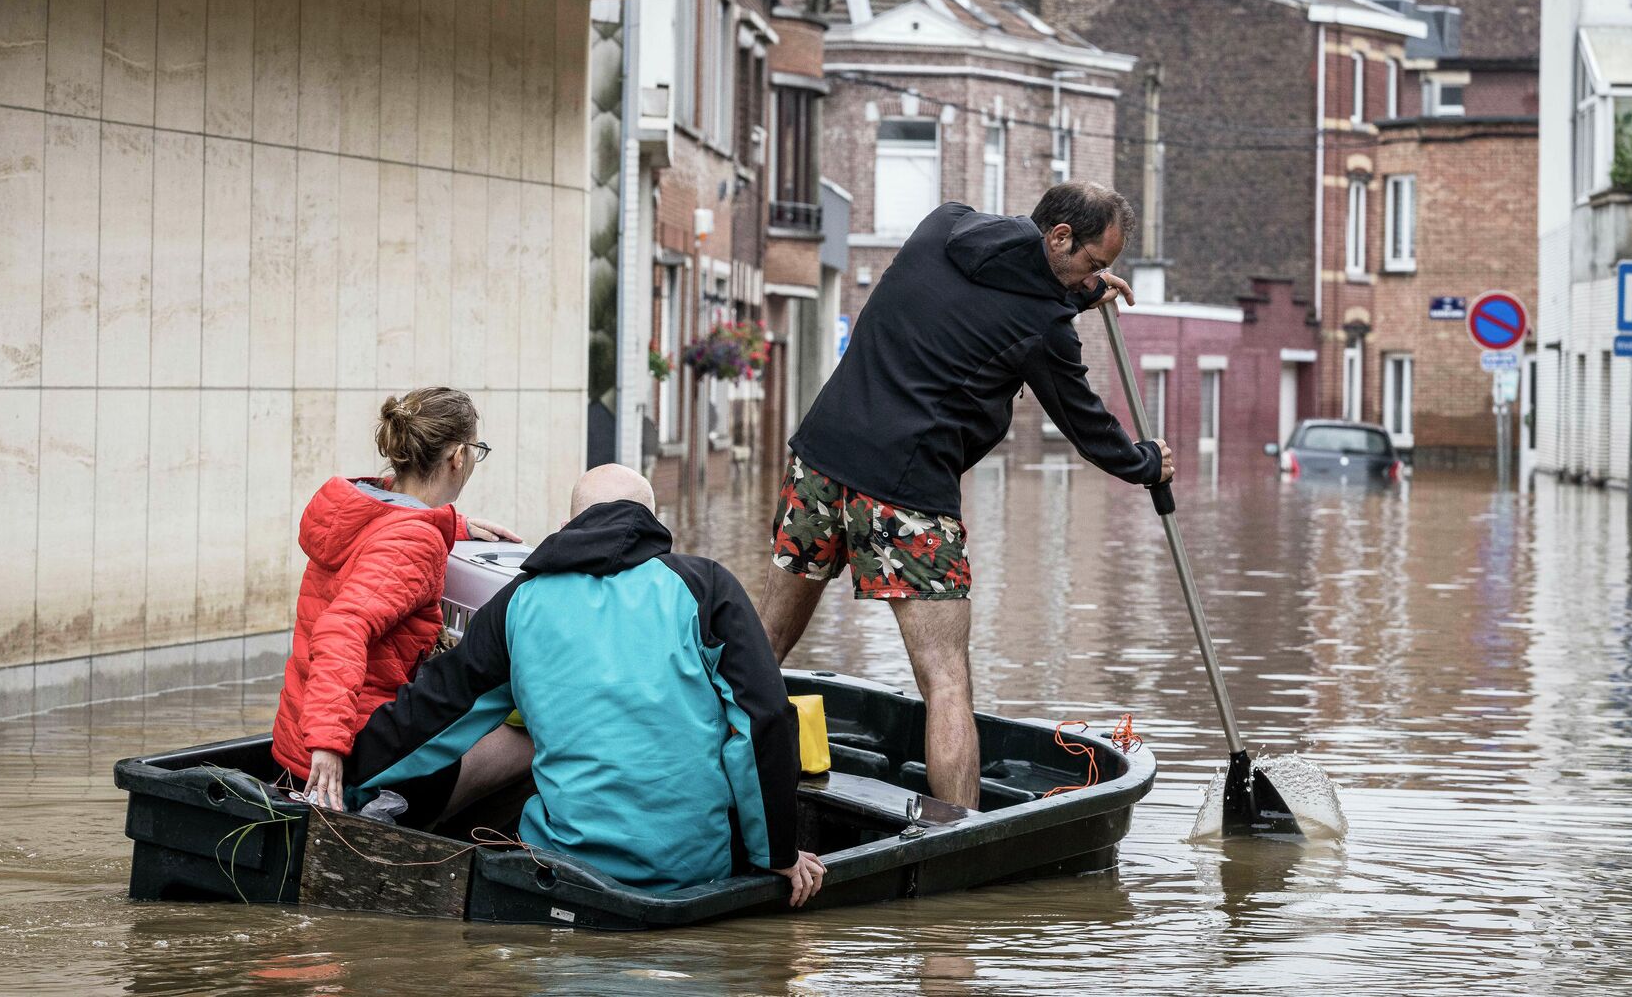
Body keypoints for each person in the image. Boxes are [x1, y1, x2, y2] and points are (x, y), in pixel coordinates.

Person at [761, 182, 1175, 810]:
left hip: (819, 463)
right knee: (947, 681)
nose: (1097, 275)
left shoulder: (942, 227)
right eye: (1094, 263)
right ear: (1060, 237)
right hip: (906, 495)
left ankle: (700, 772)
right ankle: (959, 840)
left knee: (765, 642)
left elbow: (995, 280)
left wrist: (1080, 290)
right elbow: (1085, 425)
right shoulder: (1044, 327)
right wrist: (1146, 463)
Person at [343, 465, 826, 906]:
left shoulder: (518, 602)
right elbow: (764, 717)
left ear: (570, 521)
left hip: (562, 868)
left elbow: (432, 714)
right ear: (650, 519)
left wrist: (339, 775)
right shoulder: (706, 586)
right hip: (691, 872)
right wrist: (778, 852)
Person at [270, 387, 525, 811]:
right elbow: (343, 628)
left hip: (295, 740)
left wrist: (451, 525)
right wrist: (329, 744)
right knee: (532, 741)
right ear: (458, 457)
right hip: (352, 749)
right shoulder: (415, 539)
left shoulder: (359, 507)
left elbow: (387, 539)